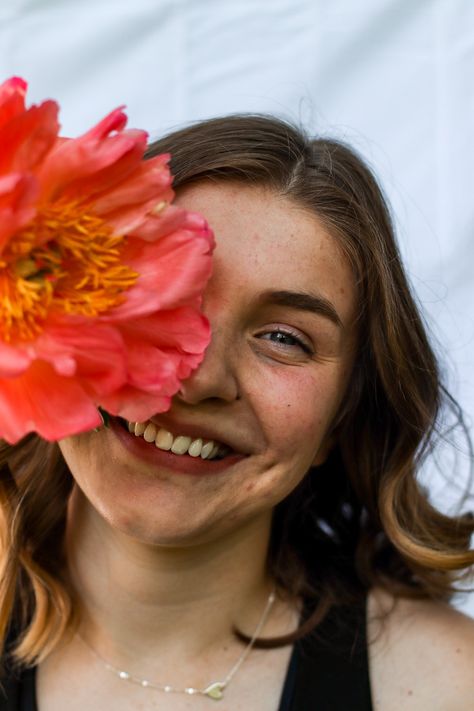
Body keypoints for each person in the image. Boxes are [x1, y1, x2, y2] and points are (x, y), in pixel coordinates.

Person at [0, 115, 473, 711]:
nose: (200, 379)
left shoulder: (450, 686)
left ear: (343, 416)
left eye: (283, 338)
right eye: (165, 301)